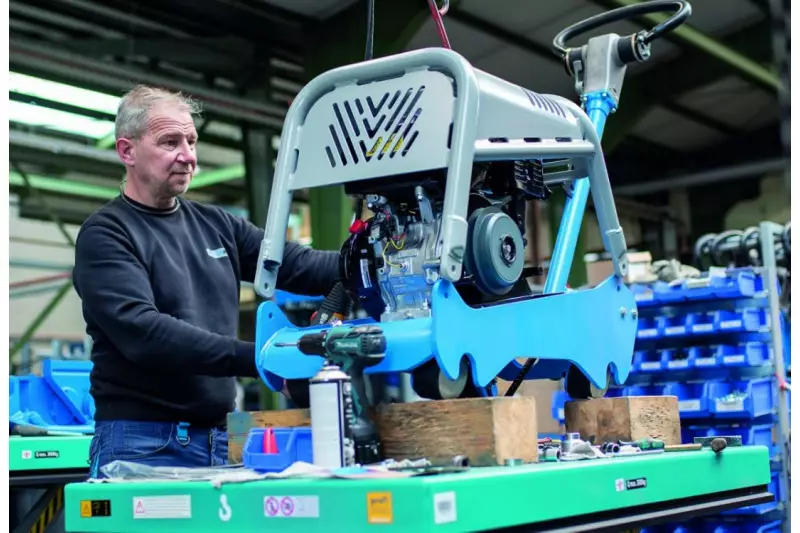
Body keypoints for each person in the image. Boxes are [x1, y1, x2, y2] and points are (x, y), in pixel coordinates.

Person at [72, 85, 340, 478]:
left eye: (191, 141)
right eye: (170, 142)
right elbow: (144, 333)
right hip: (142, 443)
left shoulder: (217, 225)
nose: (187, 155)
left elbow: (297, 264)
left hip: (218, 437)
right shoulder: (107, 234)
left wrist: (368, 256)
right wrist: (262, 357)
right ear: (127, 151)